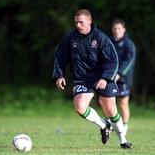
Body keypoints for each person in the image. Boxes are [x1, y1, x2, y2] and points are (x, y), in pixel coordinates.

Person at [53, 9, 132, 149]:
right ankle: (104, 125)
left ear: (89, 21)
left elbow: (113, 61)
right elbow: (59, 57)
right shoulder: (70, 38)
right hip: (82, 78)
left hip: (103, 77)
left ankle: (123, 140)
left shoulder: (100, 37)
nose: (78, 25)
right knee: (80, 108)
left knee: (111, 110)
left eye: (81, 22)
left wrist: (106, 78)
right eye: (76, 22)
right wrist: (59, 75)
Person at [108, 19, 136, 135]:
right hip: (110, 77)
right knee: (107, 101)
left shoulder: (129, 44)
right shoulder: (109, 42)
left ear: (124, 30)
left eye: (119, 28)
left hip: (123, 78)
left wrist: (119, 74)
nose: (116, 31)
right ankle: (112, 124)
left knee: (123, 103)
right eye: (115, 28)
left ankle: (124, 125)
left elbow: (129, 61)